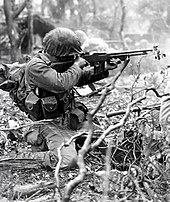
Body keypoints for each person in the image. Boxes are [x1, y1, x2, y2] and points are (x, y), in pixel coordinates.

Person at [9, 27, 118, 170]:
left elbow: (76, 79)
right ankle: (25, 156)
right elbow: (61, 83)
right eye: (71, 55)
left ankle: (74, 144)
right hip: (50, 123)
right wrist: (77, 66)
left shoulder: (64, 64)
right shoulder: (36, 66)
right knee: (67, 161)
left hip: (71, 118)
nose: (73, 58)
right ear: (61, 54)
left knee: (108, 147)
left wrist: (103, 68)